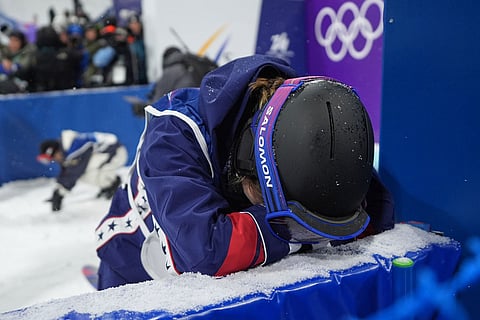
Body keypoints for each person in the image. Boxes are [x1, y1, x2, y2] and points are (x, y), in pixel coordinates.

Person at [95, 54, 395, 289]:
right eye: (269, 198)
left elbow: (372, 212)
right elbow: (208, 251)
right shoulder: (173, 134)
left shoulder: (307, 119)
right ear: (246, 163)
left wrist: (310, 220)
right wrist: (302, 229)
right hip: (133, 265)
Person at [37, 130, 128, 212]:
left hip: (117, 153)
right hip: (111, 152)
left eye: (53, 157)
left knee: (86, 173)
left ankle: (113, 183)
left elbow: (74, 172)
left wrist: (60, 193)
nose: (54, 160)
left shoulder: (74, 148)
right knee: (85, 171)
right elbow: (66, 170)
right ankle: (109, 184)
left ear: (55, 151)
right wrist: (58, 189)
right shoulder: (66, 147)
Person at [130, 46, 217, 116]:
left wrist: (142, 108)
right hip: (201, 112)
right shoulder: (191, 67)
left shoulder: (171, 71)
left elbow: (158, 104)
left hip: (182, 114)